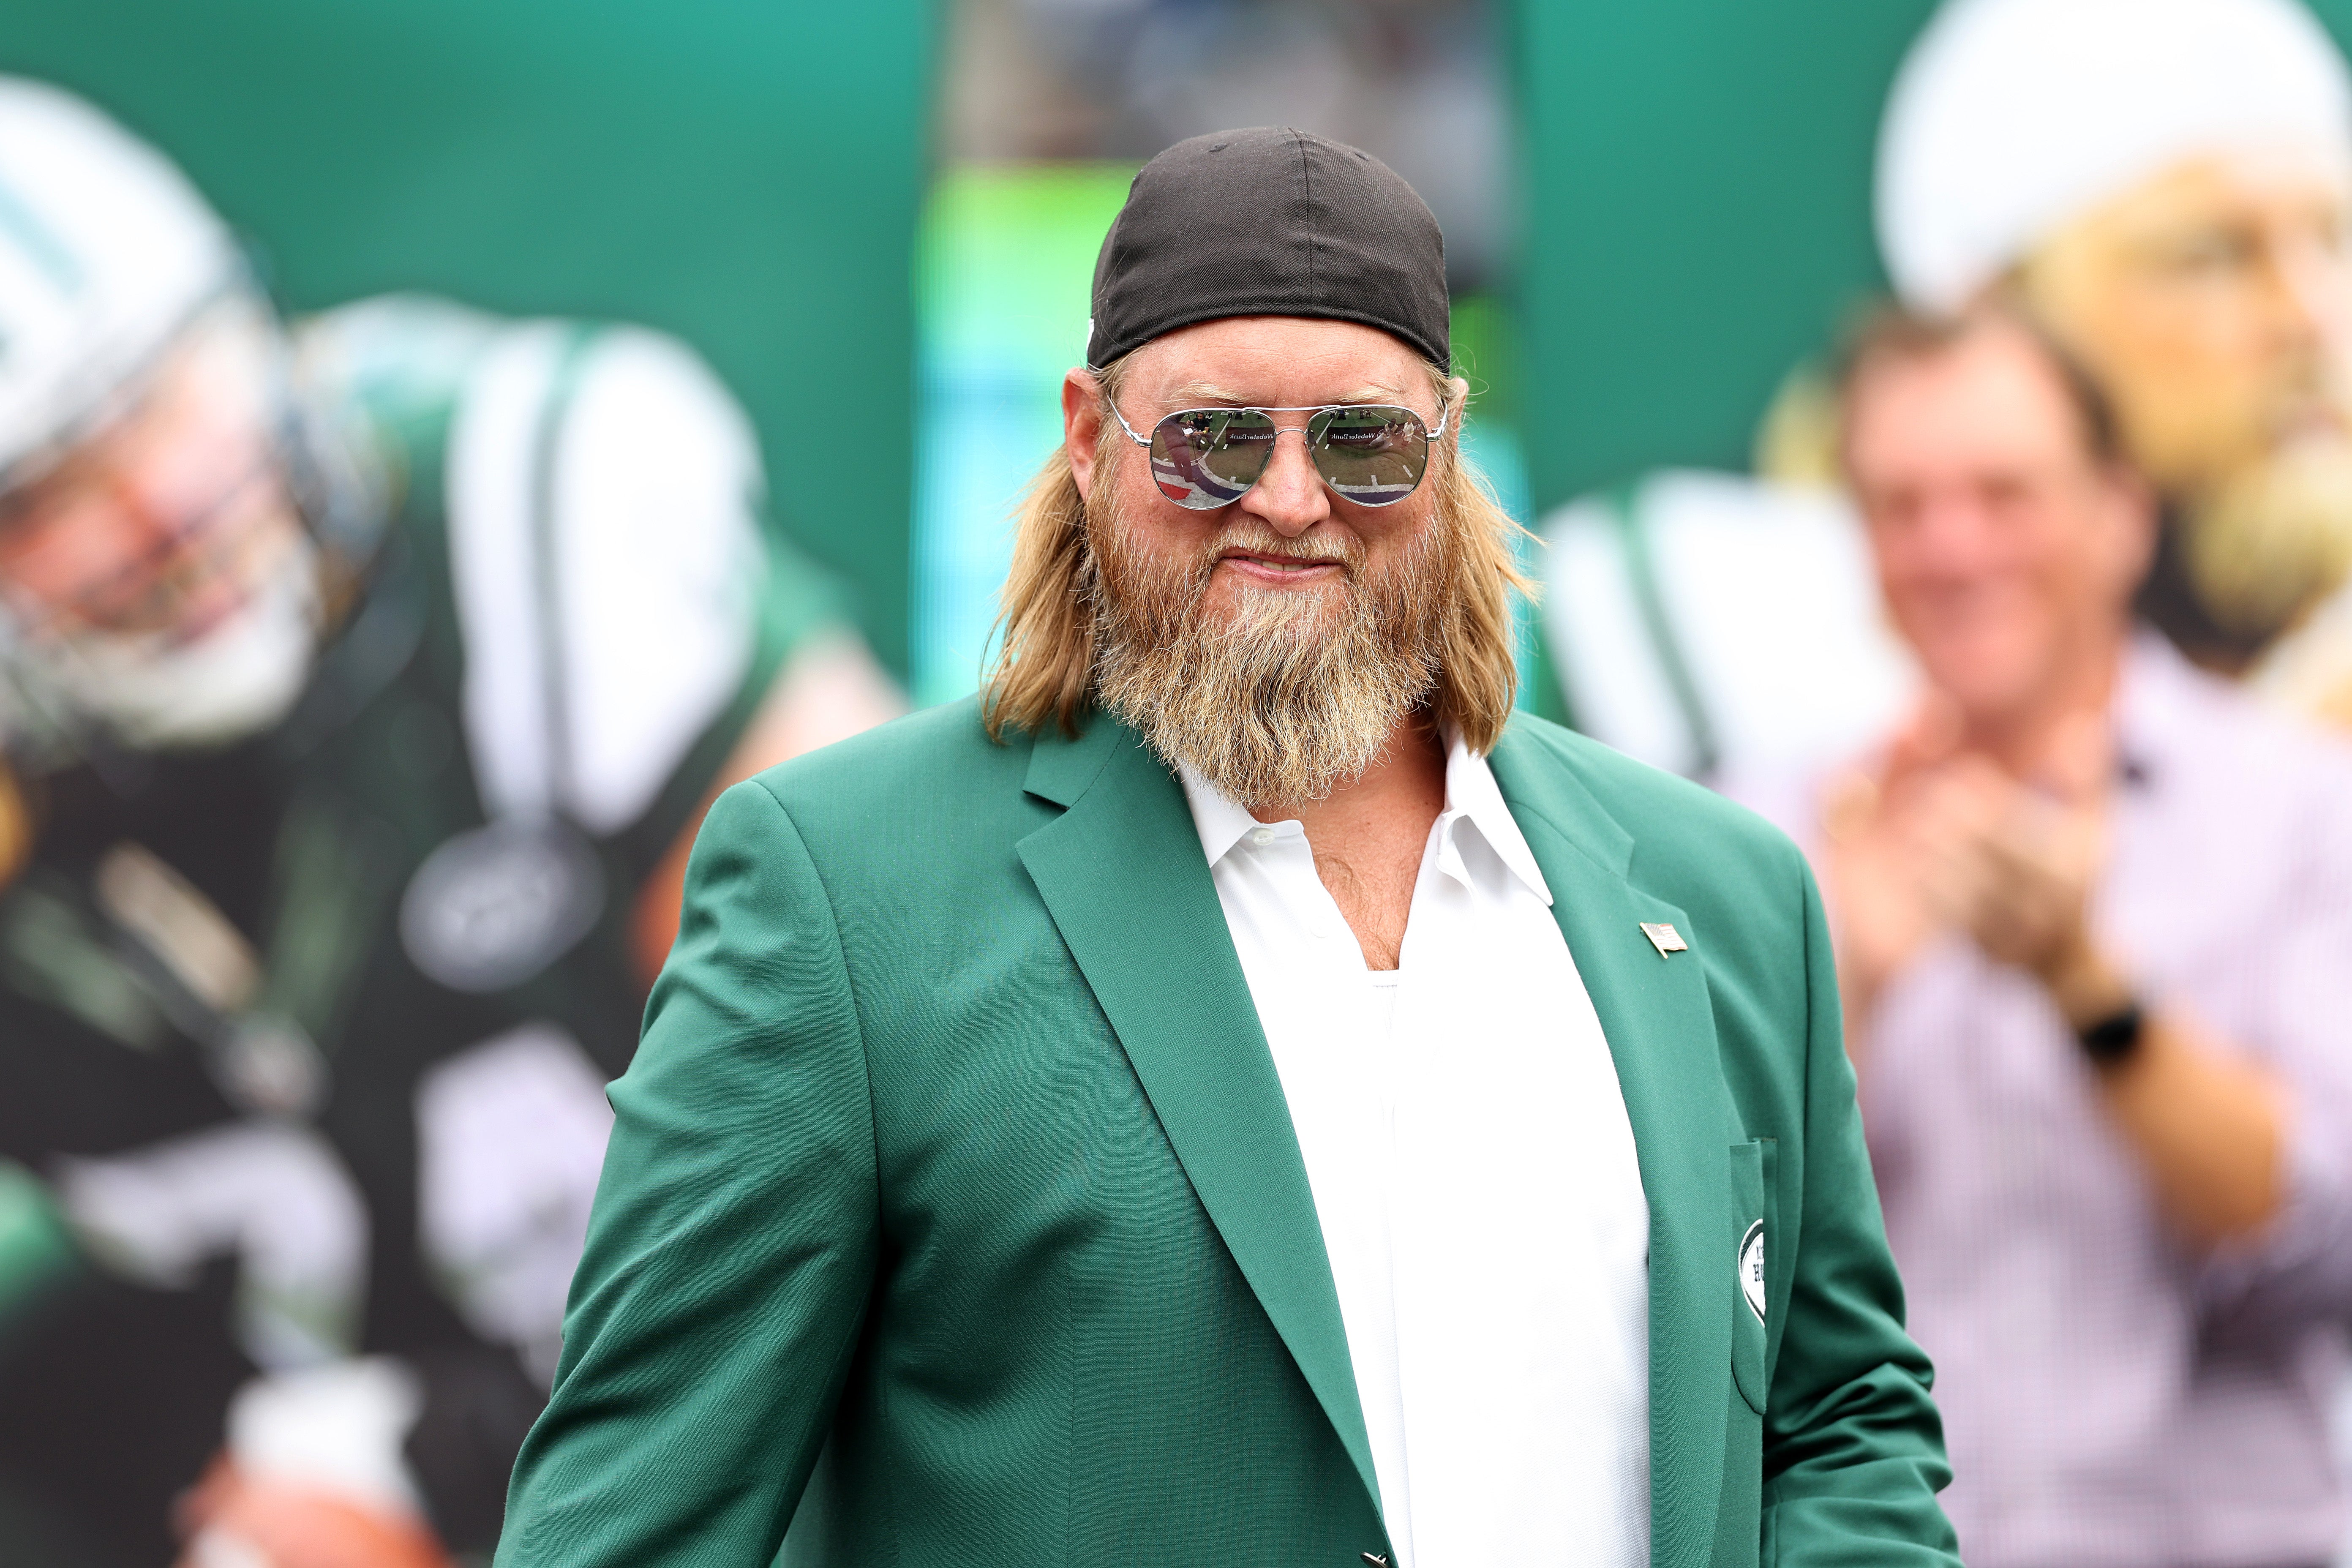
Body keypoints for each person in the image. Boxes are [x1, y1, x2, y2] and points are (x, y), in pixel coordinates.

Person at [498, 126, 1958, 1568]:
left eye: (1363, 442)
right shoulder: (843, 890)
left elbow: (1837, 1424)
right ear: (1089, 440)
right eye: (1212, 441)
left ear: (1447, 450)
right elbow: (632, 1520)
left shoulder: (1724, 895)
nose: (1289, 499)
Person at [0, 79, 902, 1567]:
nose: (166, 502)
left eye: (166, 388)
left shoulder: (526, 513)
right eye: (46, 491)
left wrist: (445, 1474)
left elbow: (944, 1134)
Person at [1810, 302, 2352, 1568]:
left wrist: (2086, 985)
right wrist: (1845, 988)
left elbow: (2318, 1229)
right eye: (1901, 504)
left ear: (2123, 515)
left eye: (2005, 494)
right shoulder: (1775, 828)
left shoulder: (2302, 809)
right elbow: (1706, 1261)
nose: (1952, 548)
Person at [1541, 0, 2352, 777]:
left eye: (2335, 241)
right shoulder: (1750, 618)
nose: (2312, 315)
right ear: (1994, 314)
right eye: (2207, 256)